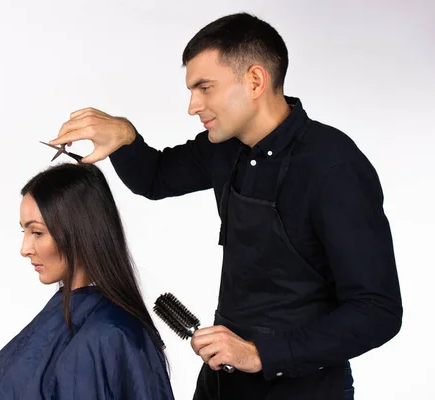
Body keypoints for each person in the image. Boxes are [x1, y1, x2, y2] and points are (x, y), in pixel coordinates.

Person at [50, 12, 403, 400]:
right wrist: (124, 136)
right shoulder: (225, 148)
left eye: (204, 88)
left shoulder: (333, 167)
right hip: (223, 380)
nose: (192, 106)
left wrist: (258, 354)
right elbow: (156, 178)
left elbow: (377, 311)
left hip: (303, 389)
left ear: (254, 80)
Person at [0, 163, 175, 400]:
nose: (25, 249)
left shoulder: (108, 336)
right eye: (24, 232)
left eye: (37, 233)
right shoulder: (75, 319)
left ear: (78, 231)